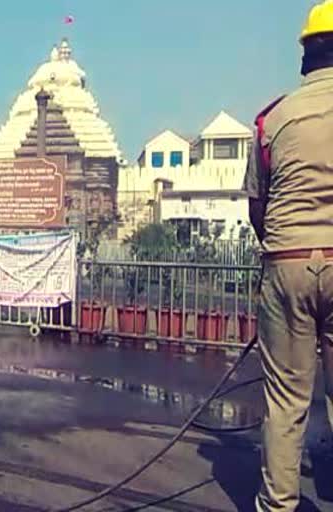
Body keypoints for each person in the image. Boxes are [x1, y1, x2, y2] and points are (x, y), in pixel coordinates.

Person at [244, 2, 333, 509]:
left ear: (306, 56)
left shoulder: (273, 118)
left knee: (286, 402)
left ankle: (277, 504)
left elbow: (258, 206)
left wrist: (281, 252)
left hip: (287, 260)